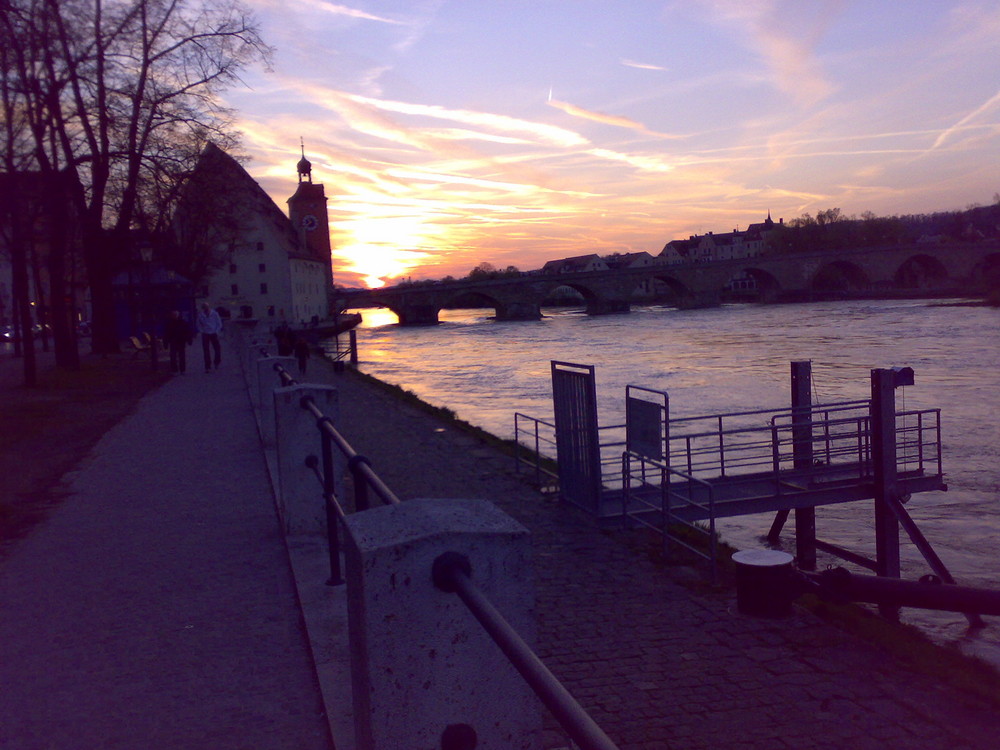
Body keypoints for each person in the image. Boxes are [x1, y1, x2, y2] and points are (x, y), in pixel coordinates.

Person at [196, 302, 223, 372]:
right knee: (206, 350)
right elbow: (198, 324)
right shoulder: (200, 315)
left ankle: (217, 362)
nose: (206, 310)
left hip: (214, 332)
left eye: (206, 308)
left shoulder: (215, 314)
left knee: (217, 348)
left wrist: (216, 331)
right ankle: (207, 366)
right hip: (205, 333)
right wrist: (202, 331)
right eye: (204, 308)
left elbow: (219, 323)